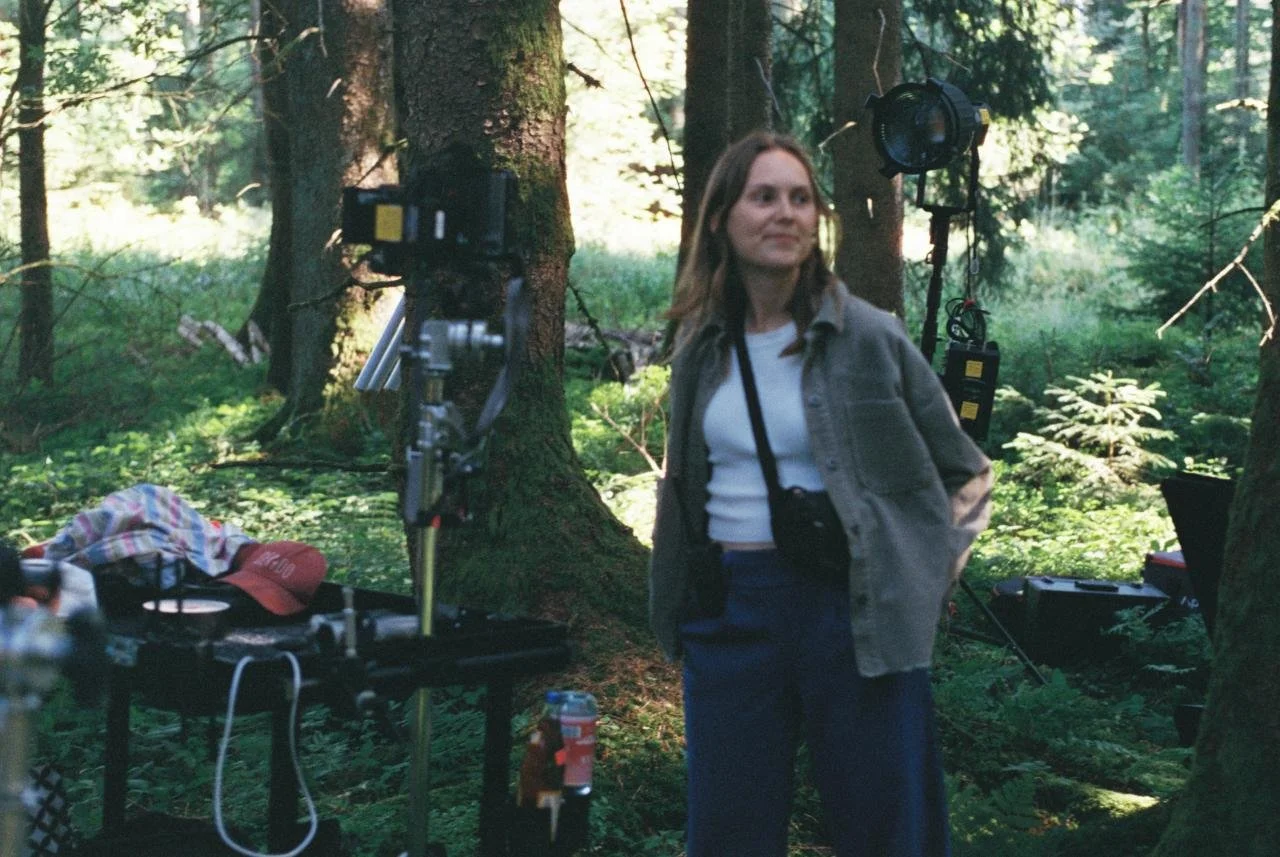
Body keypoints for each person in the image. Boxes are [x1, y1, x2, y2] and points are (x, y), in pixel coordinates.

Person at [648, 130, 993, 857]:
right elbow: (683, 485)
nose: (785, 214)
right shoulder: (701, 345)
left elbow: (966, 473)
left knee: (885, 830)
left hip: (852, 612)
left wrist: (922, 576)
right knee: (726, 834)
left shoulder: (866, 336)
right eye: (764, 196)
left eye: (800, 199)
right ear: (721, 219)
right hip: (730, 615)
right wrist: (679, 606)